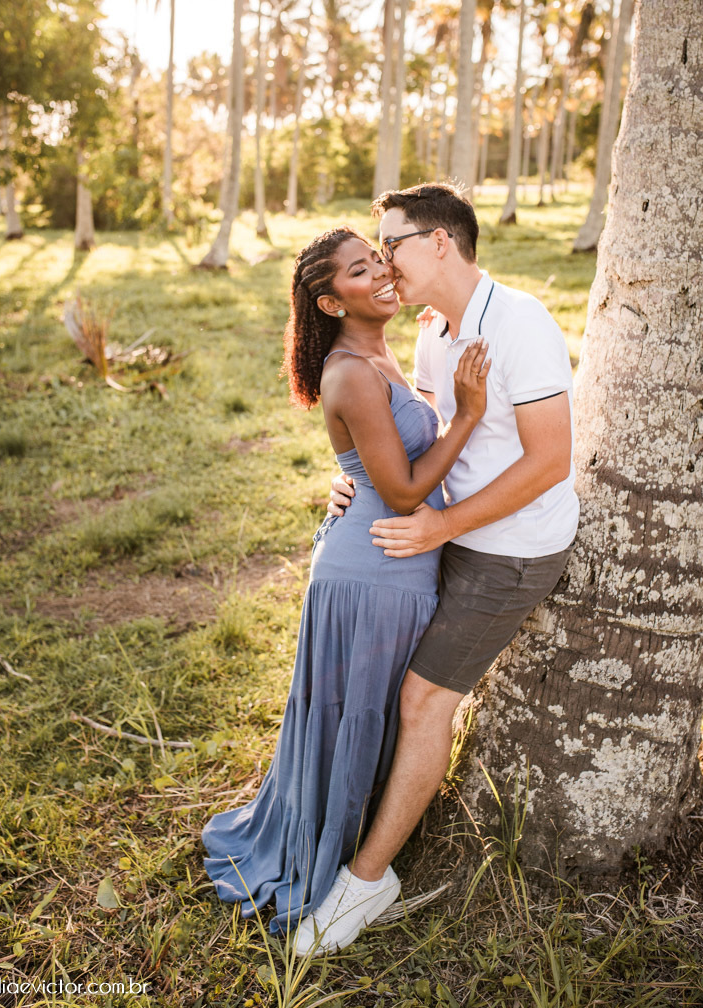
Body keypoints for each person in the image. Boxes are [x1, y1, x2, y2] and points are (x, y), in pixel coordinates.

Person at [298, 182, 579, 955]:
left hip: (511, 549)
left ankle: (365, 884)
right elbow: (417, 429)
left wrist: (439, 527)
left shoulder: (519, 322)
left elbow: (551, 460)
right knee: (392, 688)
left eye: (390, 245)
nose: (384, 262)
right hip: (445, 535)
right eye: (374, 253)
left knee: (423, 700)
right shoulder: (431, 331)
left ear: (439, 243)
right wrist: (349, 471)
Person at [201, 225, 491, 949]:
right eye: (361, 272)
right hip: (377, 570)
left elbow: (373, 460)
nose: (382, 274)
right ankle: (341, 858)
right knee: (357, 708)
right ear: (331, 302)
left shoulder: (379, 349)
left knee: (366, 707)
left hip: (378, 558)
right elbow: (400, 492)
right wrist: (466, 415)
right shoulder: (352, 370)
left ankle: (353, 836)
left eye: (379, 259)